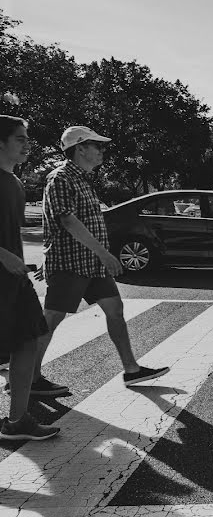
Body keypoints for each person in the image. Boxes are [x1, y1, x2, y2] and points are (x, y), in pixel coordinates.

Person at [34, 126, 169, 393]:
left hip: (92, 265)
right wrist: (105, 254)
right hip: (71, 263)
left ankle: (131, 370)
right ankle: (28, 378)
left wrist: (100, 257)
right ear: (80, 148)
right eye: (97, 146)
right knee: (51, 320)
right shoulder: (61, 178)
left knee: (114, 309)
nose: (102, 150)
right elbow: (67, 220)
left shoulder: (82, 178)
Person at [0, 116, 60, 440]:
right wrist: (3, 255)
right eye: (20, 139)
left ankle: (17, 420)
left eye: (27, 138)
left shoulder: (16, 181)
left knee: (27, 341)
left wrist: (20, 261)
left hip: (13, 279)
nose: (27, 144)